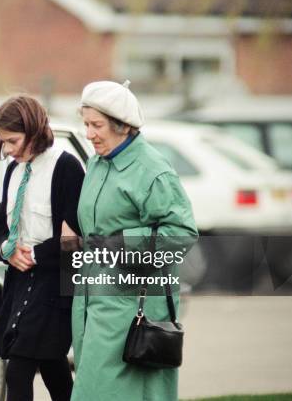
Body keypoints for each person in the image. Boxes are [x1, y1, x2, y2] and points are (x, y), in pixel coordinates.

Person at [71, 80, 198, 401]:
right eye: (86, 124)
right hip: (93, 299)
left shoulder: (152, 169)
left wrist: (118, 244)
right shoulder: (98, 162)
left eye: (96, 125)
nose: (89, 134)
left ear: (123, 126)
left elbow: (182, 232)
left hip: (133, 306)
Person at [0, 95, 84, 401]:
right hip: (20, 279)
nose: (7, 150)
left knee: (18, 367)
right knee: (52, 364)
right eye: (3, 142)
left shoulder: (66, 167)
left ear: (34, 131)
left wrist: (36, 255)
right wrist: (6, 249)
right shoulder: (13, 170)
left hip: (54, 281)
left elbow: (77, 237)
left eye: (12, 141)